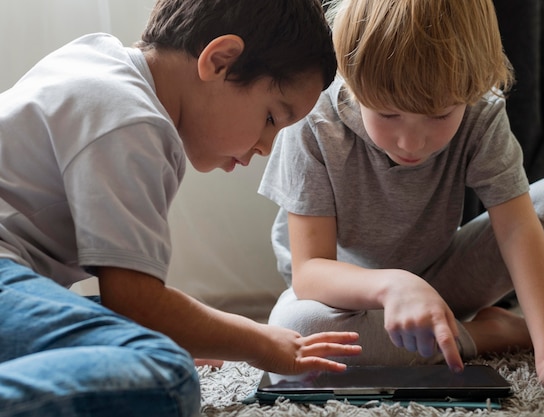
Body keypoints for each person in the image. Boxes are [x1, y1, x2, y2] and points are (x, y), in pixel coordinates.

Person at [0, 0, 363, 416]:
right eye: (270, 119)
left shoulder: (100, 62)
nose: (265, 148)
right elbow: (136, 302)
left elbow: (132, 307)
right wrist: (260, 342)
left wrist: (178, 330)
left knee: (133, 337)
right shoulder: (132, 120)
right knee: (164, 374)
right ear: (221, 61)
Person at [259, 0, 544, 389]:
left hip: (445, 278)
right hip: (352, 302)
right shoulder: (314, 122)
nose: (411, 141)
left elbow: (518, 230)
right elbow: (310, 273)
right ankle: (493, 334)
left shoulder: (480, 113)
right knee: (296, 332)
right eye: (387, 114)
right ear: (350, 75)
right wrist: (393, 286)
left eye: (439, 115)